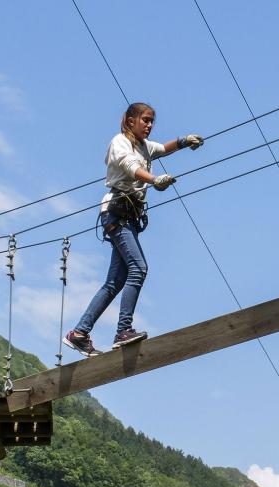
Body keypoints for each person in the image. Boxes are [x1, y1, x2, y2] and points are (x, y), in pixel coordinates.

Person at [63, 102, 204, 357]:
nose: (149, 125)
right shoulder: (120, 142)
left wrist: (184, 141)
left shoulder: (144, 146)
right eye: (145, 120)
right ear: (130, 121)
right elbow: (131, 167)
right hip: (117, 214)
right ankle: (123, 330)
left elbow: (163, 149)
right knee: (139, 269)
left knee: (115, 281)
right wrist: (154, 179)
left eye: (152, 122)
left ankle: (79, 333)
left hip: (128, 217)